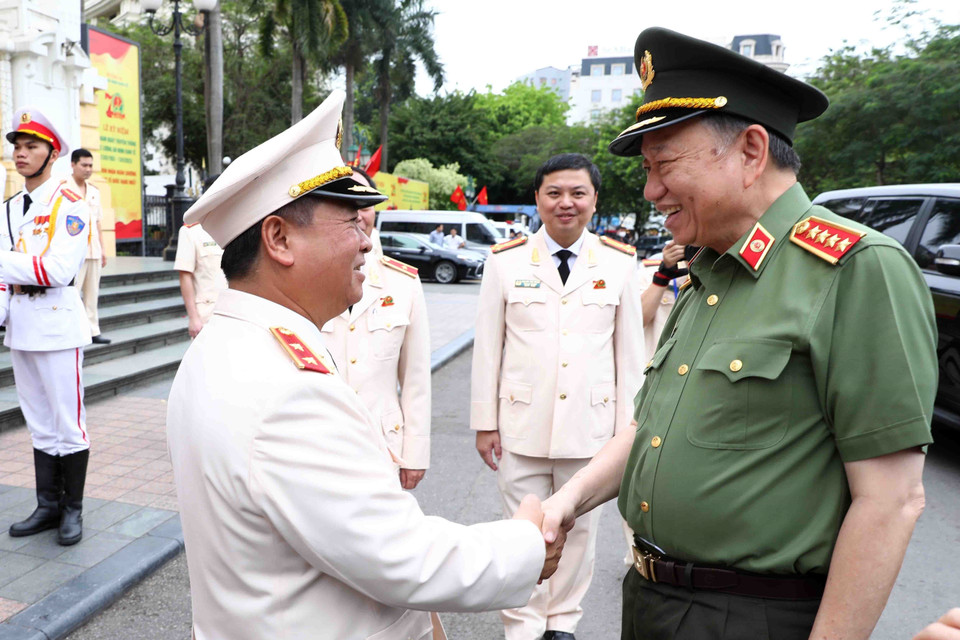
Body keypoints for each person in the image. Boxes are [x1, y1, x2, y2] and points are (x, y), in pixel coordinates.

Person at [541, 27, 936, 640]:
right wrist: (567, 502)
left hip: (751, 617)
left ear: (751, 152)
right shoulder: (710, 269)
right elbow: (652, 430)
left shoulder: (856, 269)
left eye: (664, 165)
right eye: (647, 171)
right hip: (651, 601)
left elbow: (891, 502)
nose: (651, 191)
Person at [166, 91, 566, 640]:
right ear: (279, 238)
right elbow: (399, 557)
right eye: (352, 222)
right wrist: (523, 546)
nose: (366, 242)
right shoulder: (285, 386)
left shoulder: (226, 344)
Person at [471, 152, 647, 640]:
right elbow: (489, 347)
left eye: (577, 193)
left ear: (594, 200)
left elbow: (629, 356)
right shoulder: (505, 262)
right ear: (537, 200)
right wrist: (485, 422)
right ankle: (523, 626)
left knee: (580, 530)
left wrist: (627, 431)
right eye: (554, 193)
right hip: (521, 422)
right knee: (522, 528)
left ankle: (562, 624)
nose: (565, 203)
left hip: (591, 427)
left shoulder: (618, 263)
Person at [2, 107, 92, 546]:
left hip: (57, 323)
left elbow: (57, 270)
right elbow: (6, 277)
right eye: (17, 147)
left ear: (51, 154)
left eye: (31, 146)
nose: (21, 153)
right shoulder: (8, 209)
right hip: (21, 324)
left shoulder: (69, 205)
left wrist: (9, 264)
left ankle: (72, 509)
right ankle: (48, 505)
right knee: (38, 421)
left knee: (67, 423)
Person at [321, 166, 431, 490]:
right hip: (320, 446)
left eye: (364, 204)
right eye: (344, 204)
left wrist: (416, 453)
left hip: (384, 448)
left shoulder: (404, 282)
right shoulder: (304, 281)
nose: (357, 214)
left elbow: (416, 378)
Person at [174, 174, 228, 338]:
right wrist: (193, 318)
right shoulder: (191, 232)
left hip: (234, 311)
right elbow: (185, 275)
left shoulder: (234, 229)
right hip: (207, 313)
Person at [67, 148, 110, 345]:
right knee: (72, 293)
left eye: (90, 165)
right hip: (73, 253)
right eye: (84, 165)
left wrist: (103, 249)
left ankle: (93, 331)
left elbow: (98, 221)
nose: (88, 169)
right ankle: (73, 330)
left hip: (93, 250)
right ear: (73, 165)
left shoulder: (93, 191)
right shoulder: (63, 189)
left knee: (92, 294)